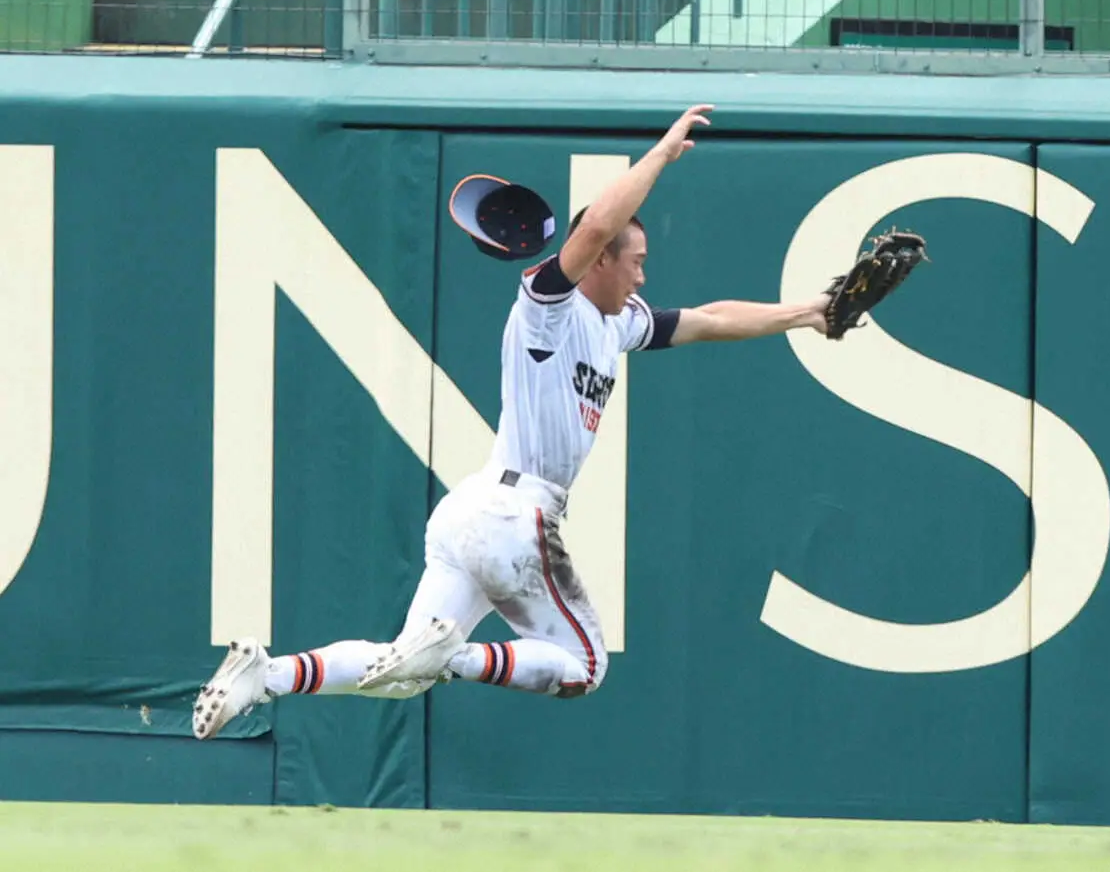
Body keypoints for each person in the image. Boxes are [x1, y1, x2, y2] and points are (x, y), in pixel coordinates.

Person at [191, 104, 839, 739]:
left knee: (404, 670)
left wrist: (808, 311)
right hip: (515, 514)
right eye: (635, 258)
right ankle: (455, 656)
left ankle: (267, 674)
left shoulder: (618, 324)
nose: (644, 271)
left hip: (471, 511)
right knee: (583, 666)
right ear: (603, 260)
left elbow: (712, 318)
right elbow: (591, 229)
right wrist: (662, 155)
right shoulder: (548, 307)